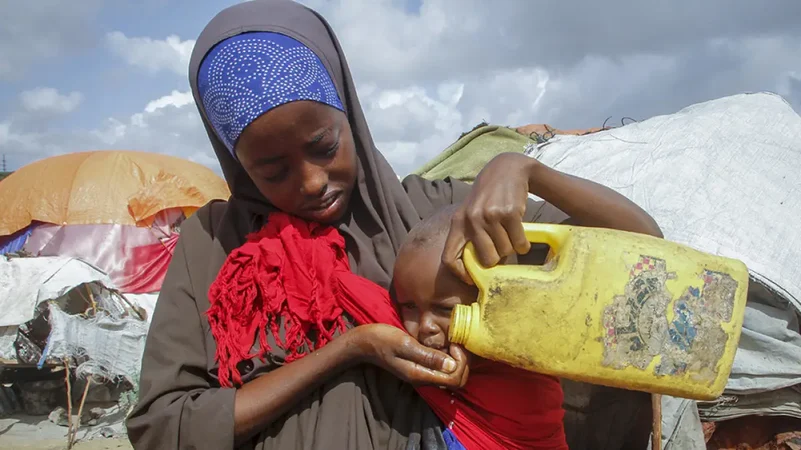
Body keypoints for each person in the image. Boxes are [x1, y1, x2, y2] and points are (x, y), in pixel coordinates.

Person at [126, 1, 663, 449]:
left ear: (350, 116)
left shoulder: (435, 214)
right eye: (272, 170)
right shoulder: (217, 245)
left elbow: (643, 247)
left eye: (324, 147)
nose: (311, 182)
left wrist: (527, 170)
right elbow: (163, 428)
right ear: (236, 164)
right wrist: (346, 349)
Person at [393, 204, 568, 449]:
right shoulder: (408, 369)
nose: (426, 327)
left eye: (445, 309)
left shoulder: (527, 371)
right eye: (409, 307)